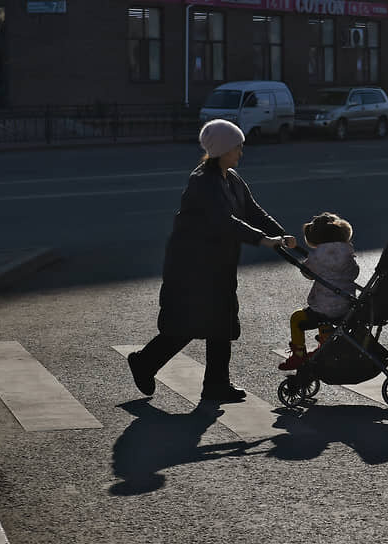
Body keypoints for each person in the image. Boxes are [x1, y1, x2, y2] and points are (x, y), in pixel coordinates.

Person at [126, 119, 296, 403]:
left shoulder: (231, 179)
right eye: (237, 147)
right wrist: (263, 240)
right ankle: (144, 362)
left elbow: (253, 211)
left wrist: (281, 234)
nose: (241, 152)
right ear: (223, 149)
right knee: (189, 324)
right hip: (193, 266)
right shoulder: (202, 182)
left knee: (221, 323)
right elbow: (224, 221)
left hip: (218, 264)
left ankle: (216, 385)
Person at [279, 212, 360, 371]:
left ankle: (299, 355)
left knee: (297, 318)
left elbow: (308, 273)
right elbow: (354, 272)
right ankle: (324, 344)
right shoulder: (348, 252)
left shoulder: (318, 256)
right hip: (345, 306)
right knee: (327, 316)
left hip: (324, 307)